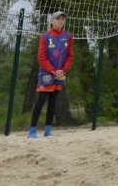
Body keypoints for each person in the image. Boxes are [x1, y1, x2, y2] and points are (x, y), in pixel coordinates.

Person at [29, 10, 72, 138]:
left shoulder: (68, 36)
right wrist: (53, 70)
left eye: (63, 19)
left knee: (53, 102)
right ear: (52, 21)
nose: (61, 21)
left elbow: (70, 56)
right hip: (47, 73)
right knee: (41, 101)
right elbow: (41, 57)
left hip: (60, 73)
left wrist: (63, 70)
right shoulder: (45, 36)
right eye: (58, 18)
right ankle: (32, 130)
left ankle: (48, 130)